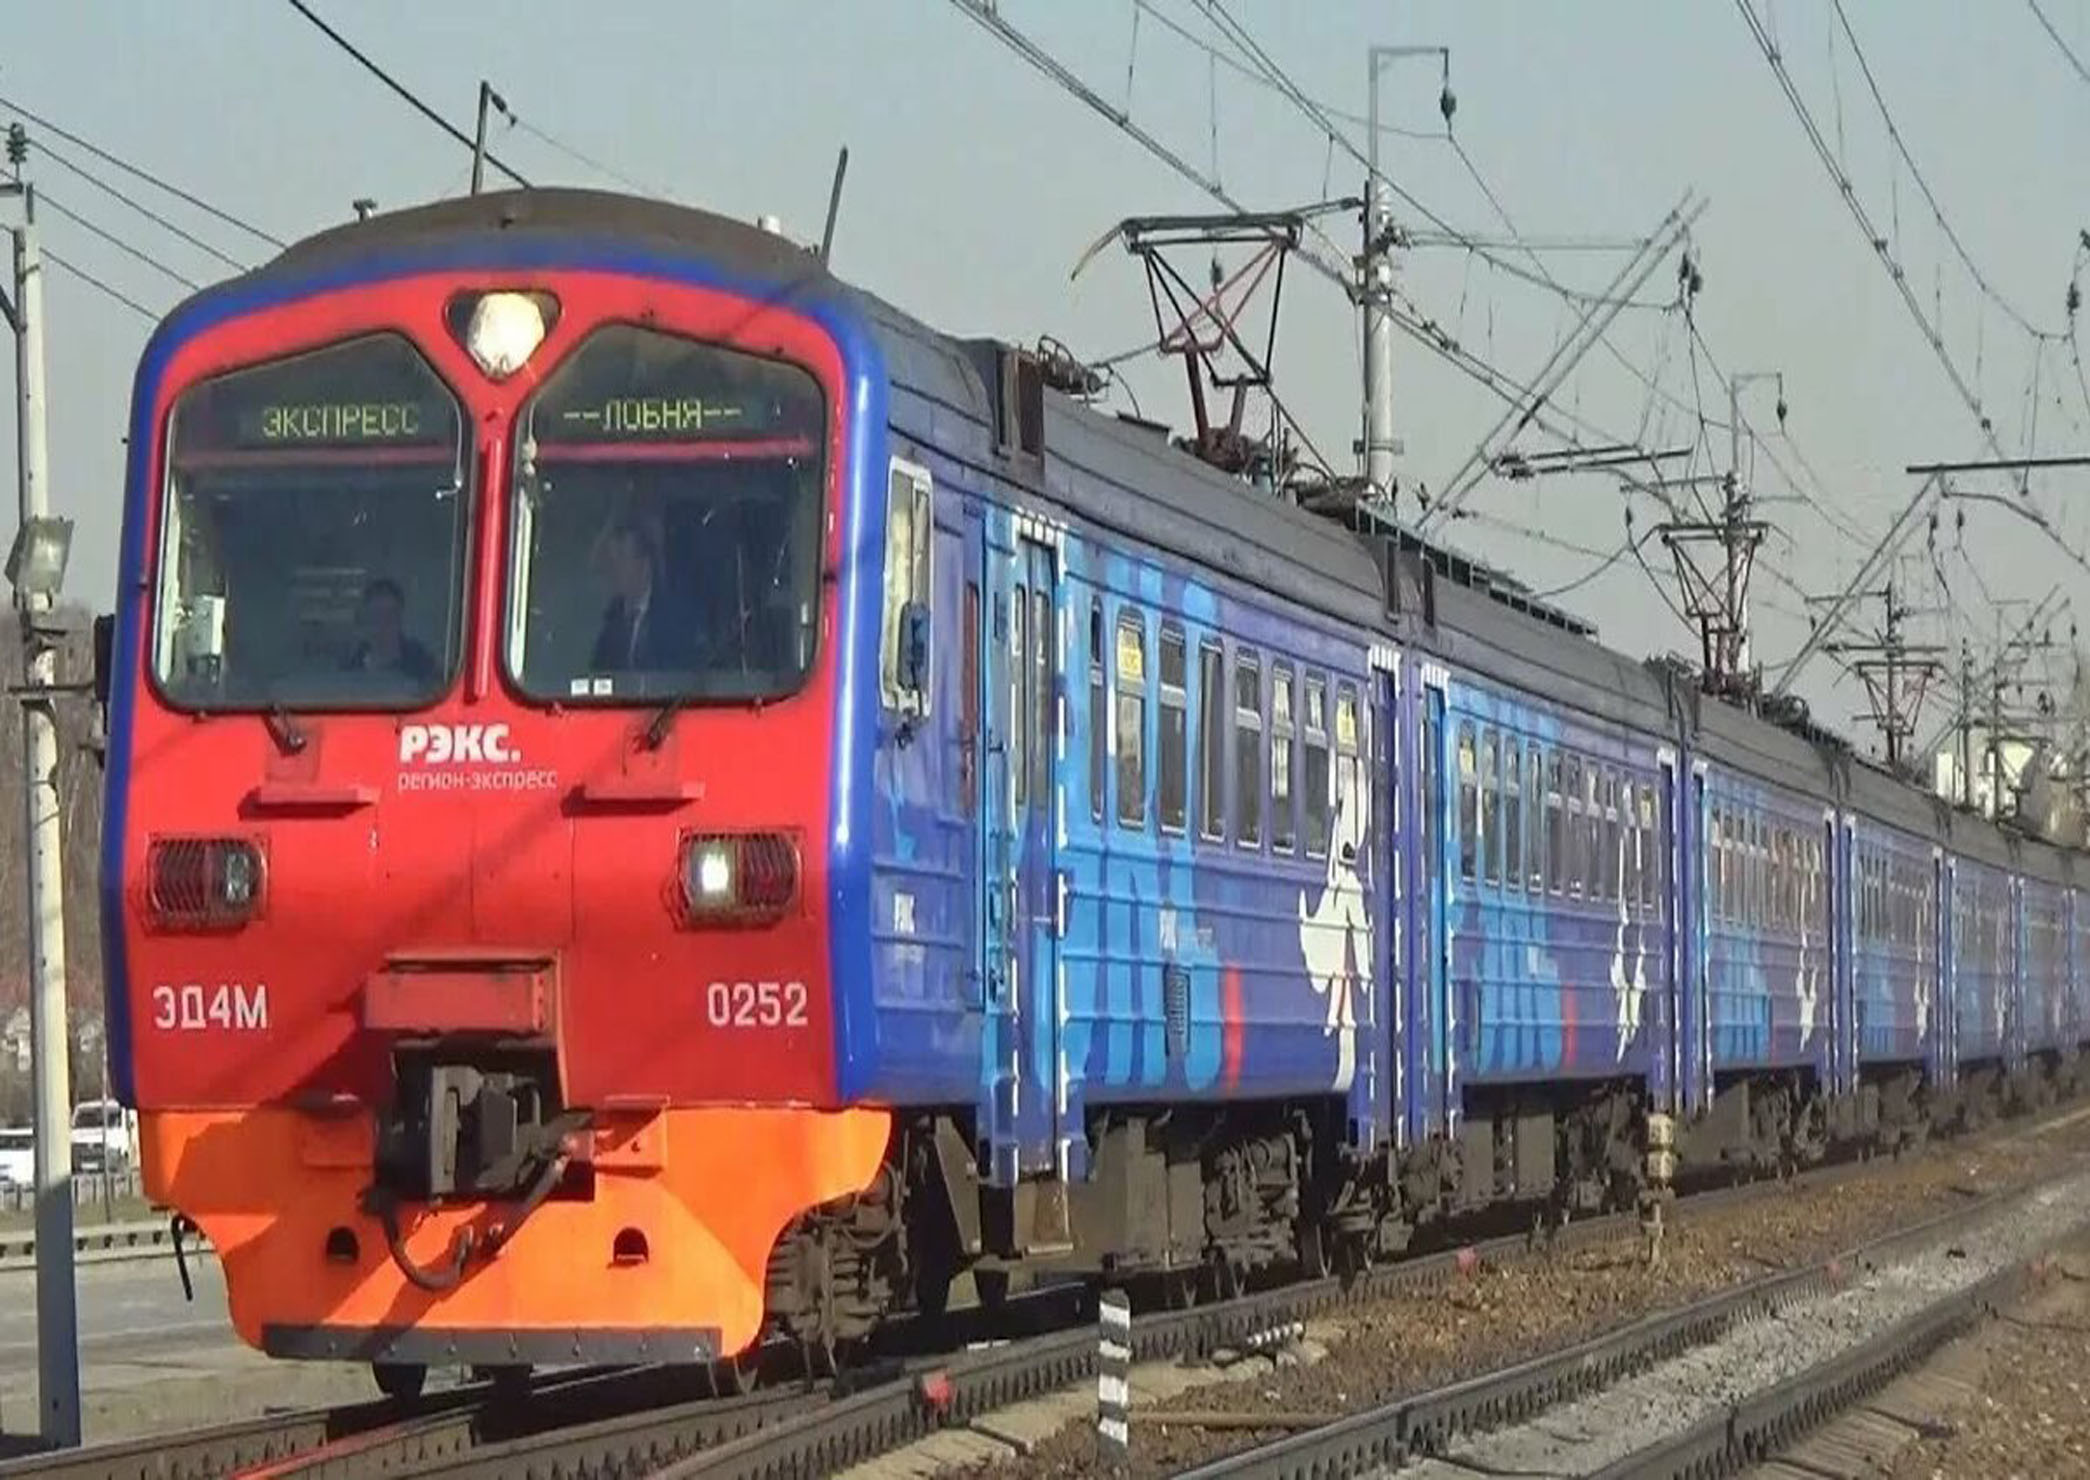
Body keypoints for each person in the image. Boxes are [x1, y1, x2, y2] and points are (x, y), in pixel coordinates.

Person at [591, 517, 692, 670]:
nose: (614, 570)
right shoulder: (611, 623)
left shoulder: (675, 619)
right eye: (612, 561)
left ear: (645, 565)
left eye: (622, 559)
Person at [345, 576, 438, 685]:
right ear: (367, 619)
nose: (383, 623)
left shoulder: (420, 661)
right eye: (377, 615)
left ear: (400, 619)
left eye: (390, 615)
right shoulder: (353, 663)